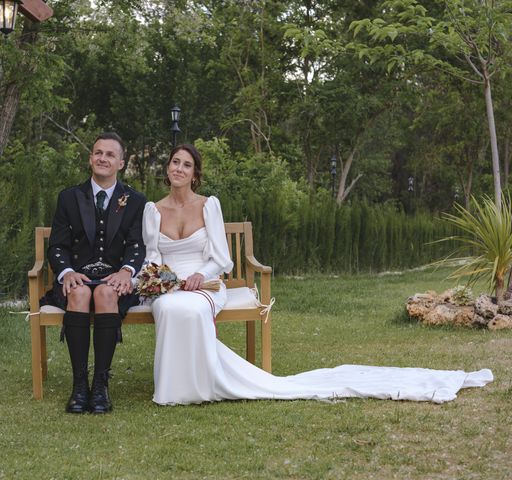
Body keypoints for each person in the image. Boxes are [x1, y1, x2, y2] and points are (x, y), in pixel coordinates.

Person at [141, 144, 493, 405]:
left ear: (195, 174)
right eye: (175, 162)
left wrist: (200, 276)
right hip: (170, 287)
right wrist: (164, 280)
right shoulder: (152, 211)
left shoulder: (208, 205)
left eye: (187, 165)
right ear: (168, 168)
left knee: (192, 309)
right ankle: (174, 388)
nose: (179, 168)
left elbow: (222, 259)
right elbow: (151, 258)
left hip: (207, 284)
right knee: (172, 309)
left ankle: (200, 386)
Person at [48, 132, 146, 414]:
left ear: (121, 163)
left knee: (105, 293)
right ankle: (79, 386)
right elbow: (57, 245)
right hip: (77, 276)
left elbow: (137, 244)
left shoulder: (135, 200)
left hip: (114, 280)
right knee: (78, 293)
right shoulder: (68, 198)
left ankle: (100, 385)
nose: (103, 158)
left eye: (110, 154)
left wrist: (127, 271)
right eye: (98, 153)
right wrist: (66, 272)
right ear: (91, 158)